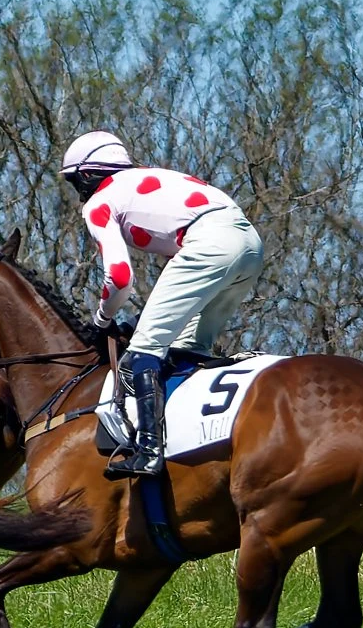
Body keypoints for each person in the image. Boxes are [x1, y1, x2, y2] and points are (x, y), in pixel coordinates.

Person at [60, 131, 264, 479]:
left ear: (88, 175)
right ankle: (196, 441)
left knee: (140, 355)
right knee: (188, 348)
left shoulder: (99, 202)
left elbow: (120, 278)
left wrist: (102, 319)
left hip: (210, 244)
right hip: (250, 245)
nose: (78, 194)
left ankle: (150, 451)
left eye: (76, 182)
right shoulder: (151, 178)